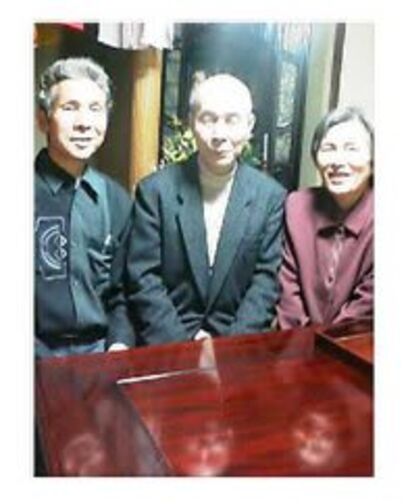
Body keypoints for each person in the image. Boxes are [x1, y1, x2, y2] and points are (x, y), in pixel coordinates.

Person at [126, 73, 286, 345]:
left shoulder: (270, 197)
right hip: (167, 343)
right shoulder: (155, 192)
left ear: (249, 125)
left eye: (232, 120)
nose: (219, 135)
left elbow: (266, 281)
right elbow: (143, 277)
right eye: (208, 119)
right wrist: (181, 345)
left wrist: (230, 348)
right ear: (191, 122)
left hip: (237, 345)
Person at [35, 57, 134, 357]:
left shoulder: (116, 200)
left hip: (101, 353)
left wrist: (119, 344)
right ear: (43, 119)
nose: (84, 123)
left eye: (95, 109)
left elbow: (123, 292)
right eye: (70, 108)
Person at [277, 107, 374, 329]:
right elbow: (287, 290)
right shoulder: (297, 206)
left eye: (351, 148)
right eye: (329, 148)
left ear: (372, 160)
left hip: (358, 343)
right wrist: (300, 341)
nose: (338, 161)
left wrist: (324, 343)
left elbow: (368, 306)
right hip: (296, 341)